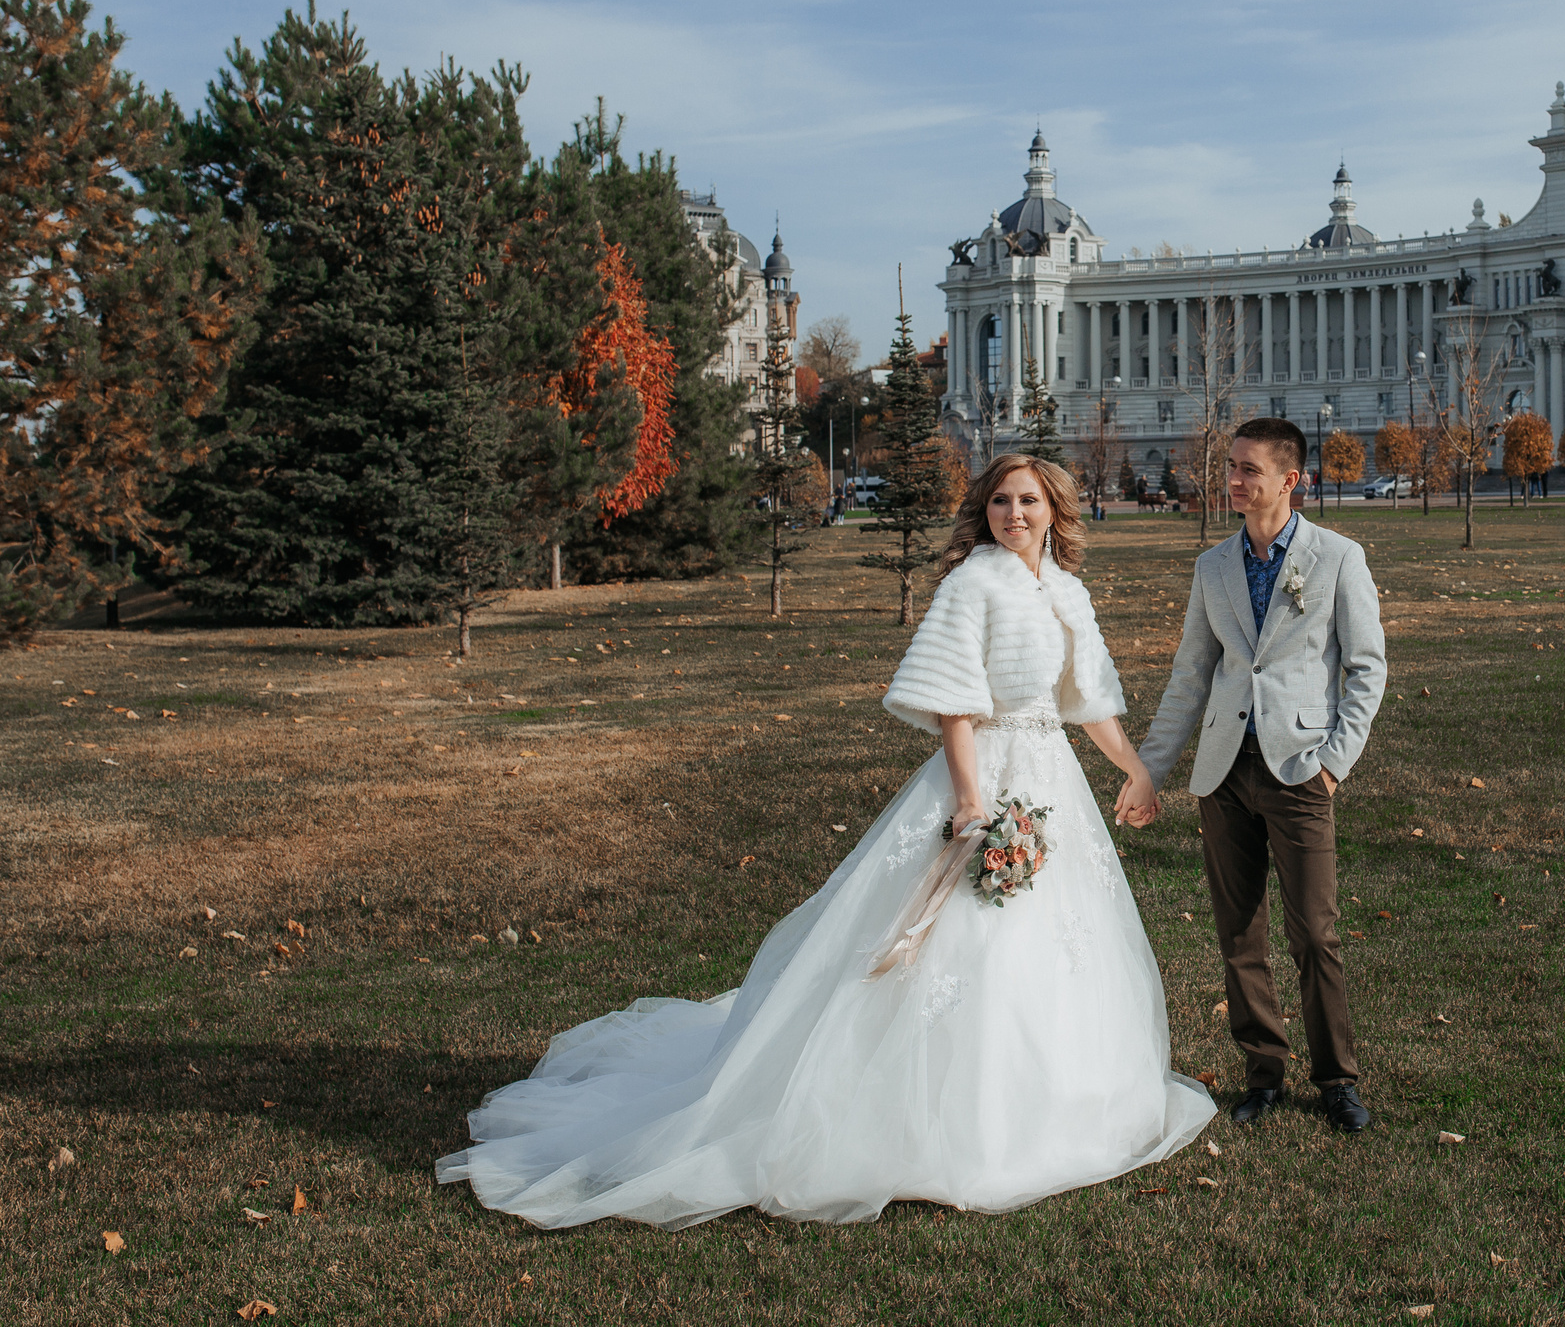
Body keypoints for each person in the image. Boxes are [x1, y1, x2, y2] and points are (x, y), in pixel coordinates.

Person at [436, 454, 1212, 1229]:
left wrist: (1134, 768)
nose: (1014, 513)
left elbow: (1087, 698)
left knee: (1055, 944)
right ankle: (935, 1118)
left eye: (1029, 501)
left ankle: (1055, 1102)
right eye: (1002, 500)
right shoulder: (972, 584)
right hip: (986, 773)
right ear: (985, 511)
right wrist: (971, 799)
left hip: (1051, 781)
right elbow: (954, 704)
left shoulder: (1064, 591)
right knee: (961, 938)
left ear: (1053, 511)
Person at [1138, 419, 1387, 1134]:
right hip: (1223, 773)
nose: (1235, 480)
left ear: (1290, 480)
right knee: (1239, 934)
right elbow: (1191, 675)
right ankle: (1264, 1073)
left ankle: (1336, 1080)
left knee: (1315, 934)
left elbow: (1367, 668)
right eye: (1231, 467)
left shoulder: (1338, 558)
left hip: (1300, 769)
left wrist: (1333, 765)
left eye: (1249, 469)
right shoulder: (1213, 565)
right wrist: (1151, 769)